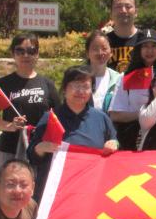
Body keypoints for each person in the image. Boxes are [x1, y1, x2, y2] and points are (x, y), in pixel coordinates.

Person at [28, 66, 118, 203]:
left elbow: (114, 141)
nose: (80, 91)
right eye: (75, 86)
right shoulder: (51, 118)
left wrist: (113, 144)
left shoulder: (101, 118)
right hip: (56, 190)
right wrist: (40, 148)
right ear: (65, 89)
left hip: (89, 187)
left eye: (86, 87)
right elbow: (32, 155)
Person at [0, 33, 61, 171]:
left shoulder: (46, 84)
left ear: (37, 54)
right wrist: (9, 126)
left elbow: (59, 116)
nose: (26, 55)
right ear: (13, 54)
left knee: (39, 184)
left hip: (39, 148)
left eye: (31, 51)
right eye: (20, 51)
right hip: (10, 147)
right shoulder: (5, 84)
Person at [109, 28, 156, 150]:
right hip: (134, 138)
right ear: (138, 50)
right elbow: (115, 115)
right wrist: (144, 115)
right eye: (145, 46)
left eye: (154, 46)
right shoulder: (126, 78)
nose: (150, 51)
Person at [85, 29, 121, 113]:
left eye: (104, 48)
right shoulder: (78, 78)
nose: (100, 53)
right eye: (95, 49)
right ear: (87, 53)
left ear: (111, 52)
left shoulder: (118, 79)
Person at [106, 0, 139, 72]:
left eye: (128, 6)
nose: (123, 10)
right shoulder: (103, 42)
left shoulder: (146, 40)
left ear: (136, 12)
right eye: (118, 7)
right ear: (111, 13)